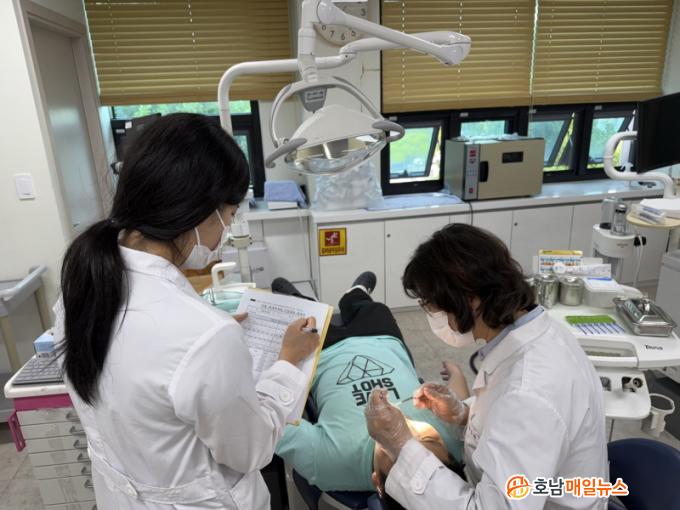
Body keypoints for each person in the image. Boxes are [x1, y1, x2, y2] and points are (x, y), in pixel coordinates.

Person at [54, 114, 320, 510]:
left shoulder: (81, 284)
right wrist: (287, 362)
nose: (227, 229)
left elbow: (143, 367)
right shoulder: (203, 335)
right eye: (230, 215)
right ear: (200, 212)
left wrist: (208, 343)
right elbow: (250, 450)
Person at [365, 224, 608, 509]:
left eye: (433, 306)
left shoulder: (529, 392)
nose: (434, 316)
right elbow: (510, 423)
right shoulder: (532, 335)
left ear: (471, 299)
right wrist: (464, 414)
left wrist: (401, 446)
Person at [270, 274, 466, 494]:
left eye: (392, 450)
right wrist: (457, 374)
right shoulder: (454, 442)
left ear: (377, 482)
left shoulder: (329, 463)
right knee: (375, 310)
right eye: (425, 439)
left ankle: (298, 298)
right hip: (384, 341)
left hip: (324, 352)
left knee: (308, 317)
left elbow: (268, 420)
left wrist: (286, 358)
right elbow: (463, 404)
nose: (400, 425)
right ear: (451, 456)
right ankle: (356, 294)